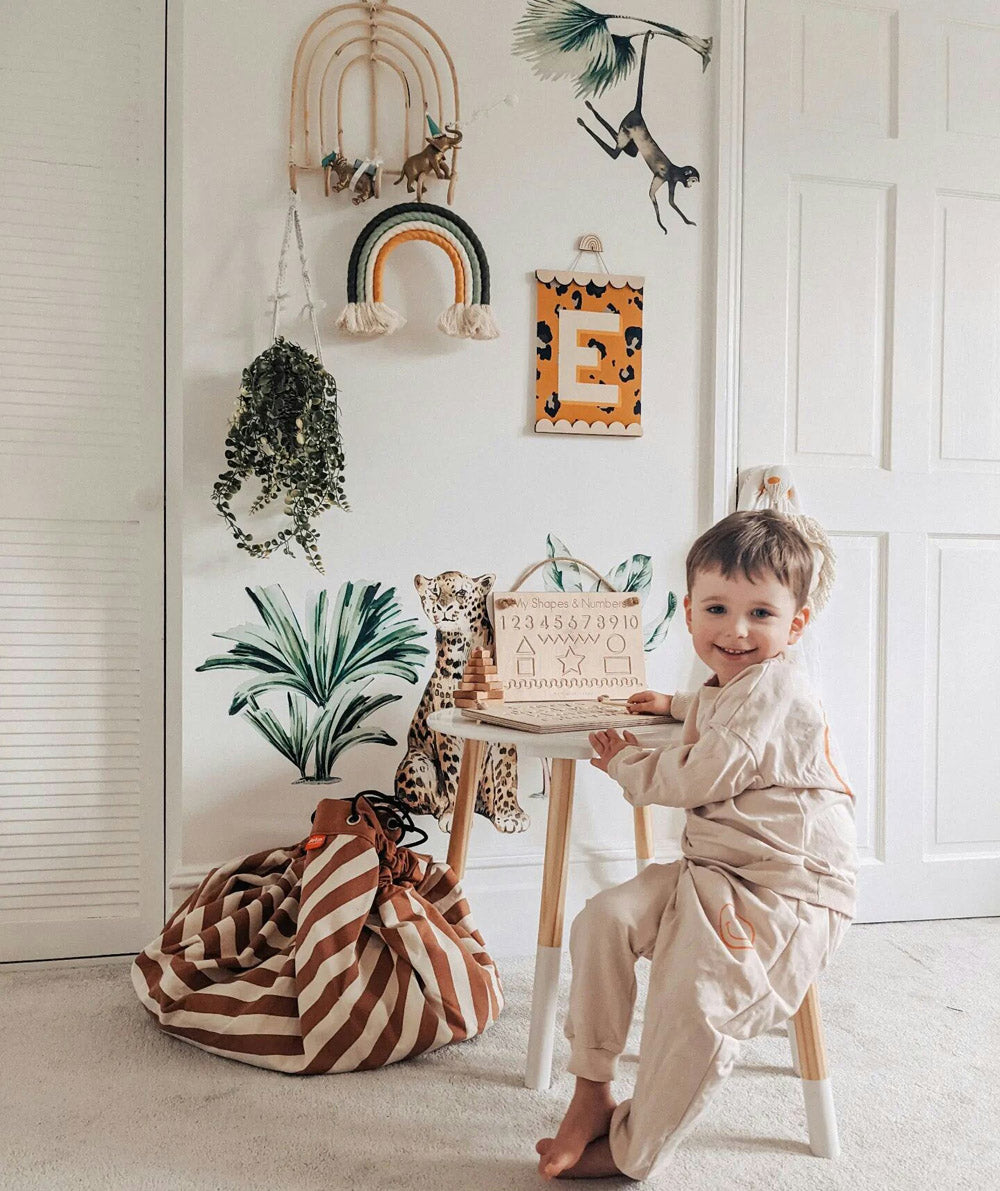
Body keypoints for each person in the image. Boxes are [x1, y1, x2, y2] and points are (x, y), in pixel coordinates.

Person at [535, 509, 857, 1181]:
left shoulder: (779, 685)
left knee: (693, 1007)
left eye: (760, 614)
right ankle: (592, 1088)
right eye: (718, 607)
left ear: (794, 624)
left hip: (782, 887)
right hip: (712, 865)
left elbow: (699, 774)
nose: (736, 630)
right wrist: (675, 705)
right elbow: (725, 707)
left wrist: (625, 763)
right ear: (689, 612)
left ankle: (630, 1149)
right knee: (604, 920)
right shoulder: (739, 684)